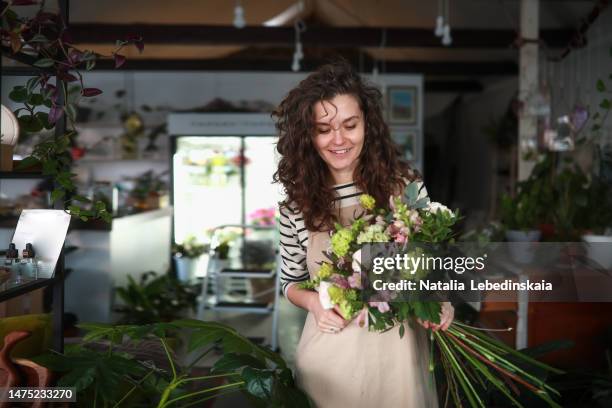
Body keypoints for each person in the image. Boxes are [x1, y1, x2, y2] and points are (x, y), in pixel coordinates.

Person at [272, 60, 453, 407]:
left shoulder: (406, 189)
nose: (338, 139)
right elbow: (290, 281)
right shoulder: (295, 208)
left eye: (349, 125)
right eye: (323, 128)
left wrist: (441, 301)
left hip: (400, 362)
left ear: (367, 126)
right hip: (329, 362)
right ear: (308, 135)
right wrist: (314, 303)